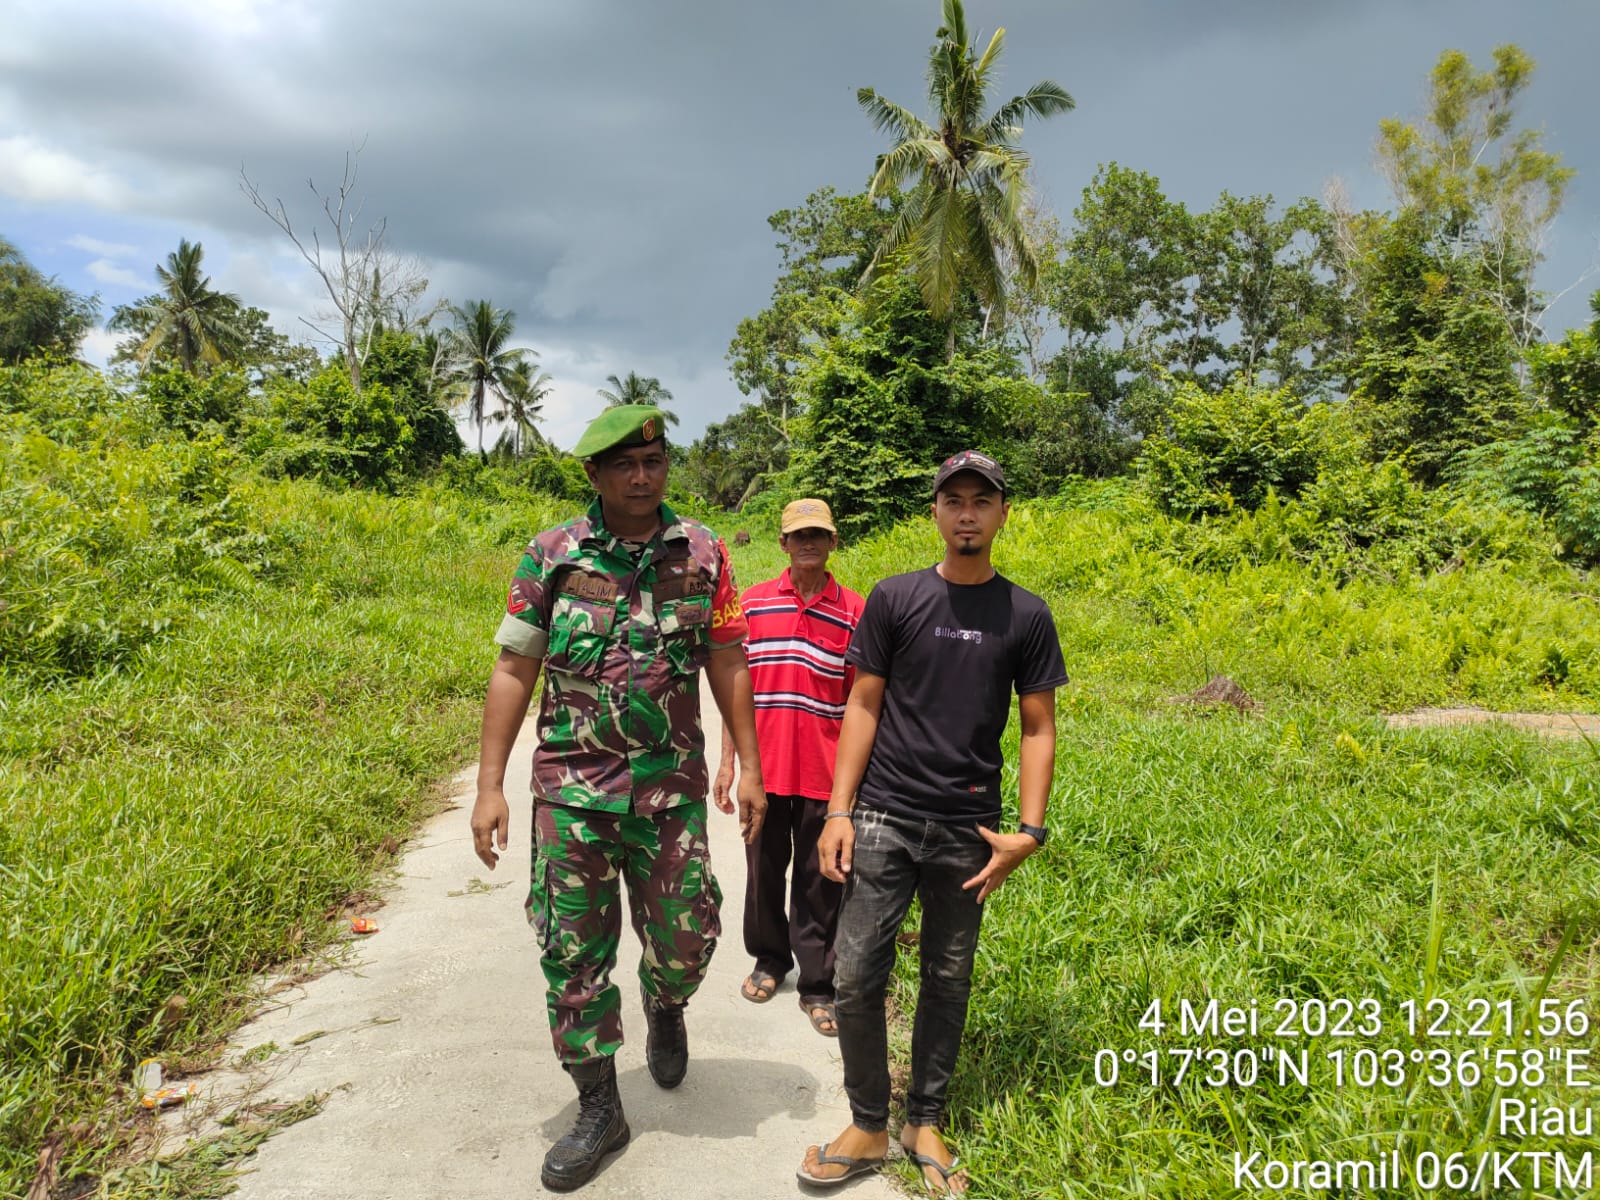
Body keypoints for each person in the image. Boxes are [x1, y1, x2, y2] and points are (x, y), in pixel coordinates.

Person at [470, 404, 767, 1193]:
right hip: (571, 794)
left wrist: (751, 760)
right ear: (596, 475)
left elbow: (729, 660)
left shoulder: (703, 551)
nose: (643, 477)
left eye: (656, 461)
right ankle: (600, 1106)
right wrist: (488, 786)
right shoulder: (552, 556)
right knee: (571, 957)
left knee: (687, 939)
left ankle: (666, 1004)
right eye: (625, 466)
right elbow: (514, 669)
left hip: (670, 794)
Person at [795, 450, 1066, 1196]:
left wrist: (1029, 832)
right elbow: (863, 704)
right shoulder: (897, 599)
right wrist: (838, 811)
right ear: (936, 514)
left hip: (969, 829)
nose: (968, 513)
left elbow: (1038, 727)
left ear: (1004, 513)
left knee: (948, 978)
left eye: (983, 501)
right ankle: (868, 1122)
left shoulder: (1026, 614)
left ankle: (925, 1120)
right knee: (855, 976)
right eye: (955, 501)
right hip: (883, 811)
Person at [712, 498, 865, 1037]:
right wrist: (729, 765)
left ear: (832, 542)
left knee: (822, 880)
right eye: (798, 535)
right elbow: (737, 695)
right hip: (764, 773)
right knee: (762, 871)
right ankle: (770, 960)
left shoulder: (854, 611)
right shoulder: (752, 606)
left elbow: (863, 703)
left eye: (818, 535)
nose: (808, 544)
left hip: (827, 775)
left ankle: (818, 985)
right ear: (783, 544)